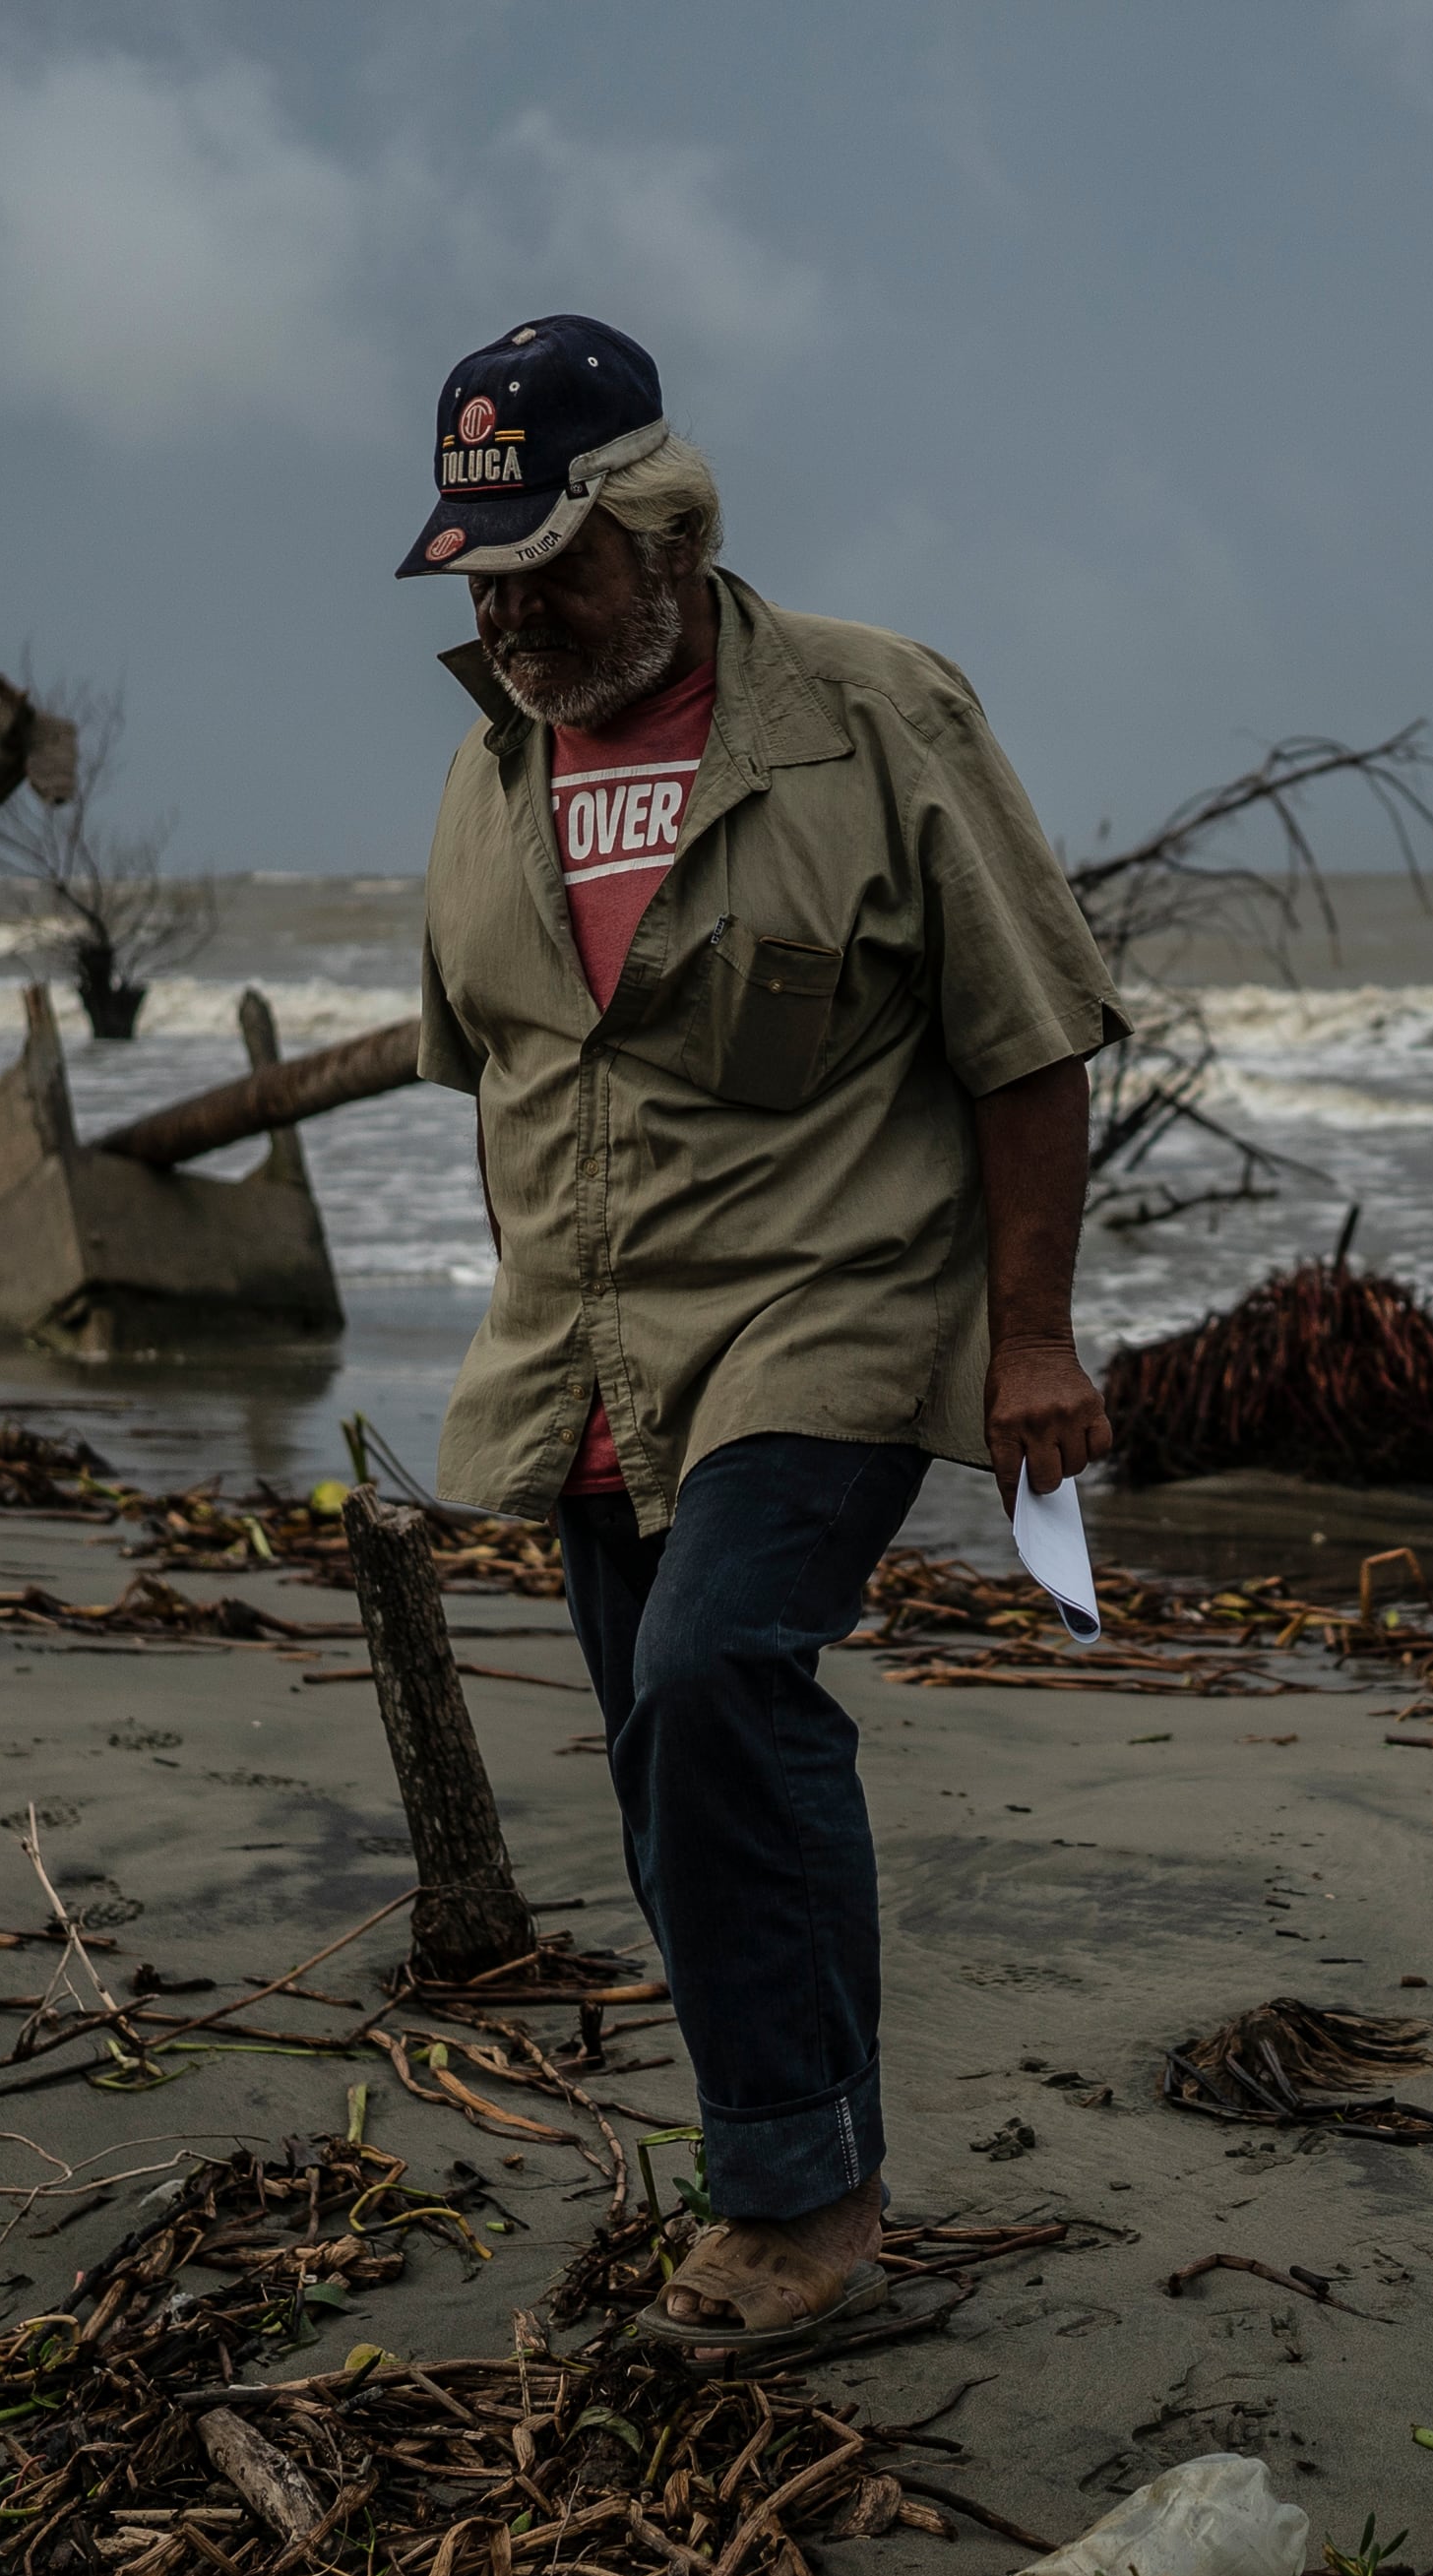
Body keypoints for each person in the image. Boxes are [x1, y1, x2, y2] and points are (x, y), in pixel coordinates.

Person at [399, 315, 1123, 2357]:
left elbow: (1030, 1031)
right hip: (590, 1335)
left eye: (557, 565)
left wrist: (1035, 1340)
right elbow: (496, 1086)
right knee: (656, 1764)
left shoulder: (873, 712)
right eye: (485, 575)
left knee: (721, 1680)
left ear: (667, 523)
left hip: (834, 1290)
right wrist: (528, 1324)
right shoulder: (486, 770)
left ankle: (805, 2211)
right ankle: (789, 2156)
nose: (522, 614)